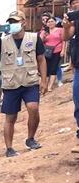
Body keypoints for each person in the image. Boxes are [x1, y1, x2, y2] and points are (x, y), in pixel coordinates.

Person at [0, 10, 47, 157]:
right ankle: (9, 148)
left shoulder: (34, 38)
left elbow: (41, 59)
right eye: (10, 22)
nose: (13, 24)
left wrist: (44, 80)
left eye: (16, 21)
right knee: (10, 117)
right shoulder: (2, 41)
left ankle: (30, 139)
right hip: (11, 84)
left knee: (33, 107)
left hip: (30, 81)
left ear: (24, 22)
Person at [63, 0, 79, 144]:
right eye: (73, 2)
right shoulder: (74, 20)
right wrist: (66, 26)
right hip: (78, 67)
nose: (76, 4)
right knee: (78, 99)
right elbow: (66, 37)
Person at [41, 16, 66, 92]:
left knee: (53, 68)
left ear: (55, 22)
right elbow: (41, 42)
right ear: (46, 23)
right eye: (49, 22)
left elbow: (64, 40)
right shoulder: (44, 31)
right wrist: (44, 37)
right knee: (46, 69)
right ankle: (44, 85)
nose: (50, 23)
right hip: (47, 52)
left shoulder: (60, 30)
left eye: (52, 21)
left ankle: (50, 86)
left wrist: (63, 50)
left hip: (57, 51)